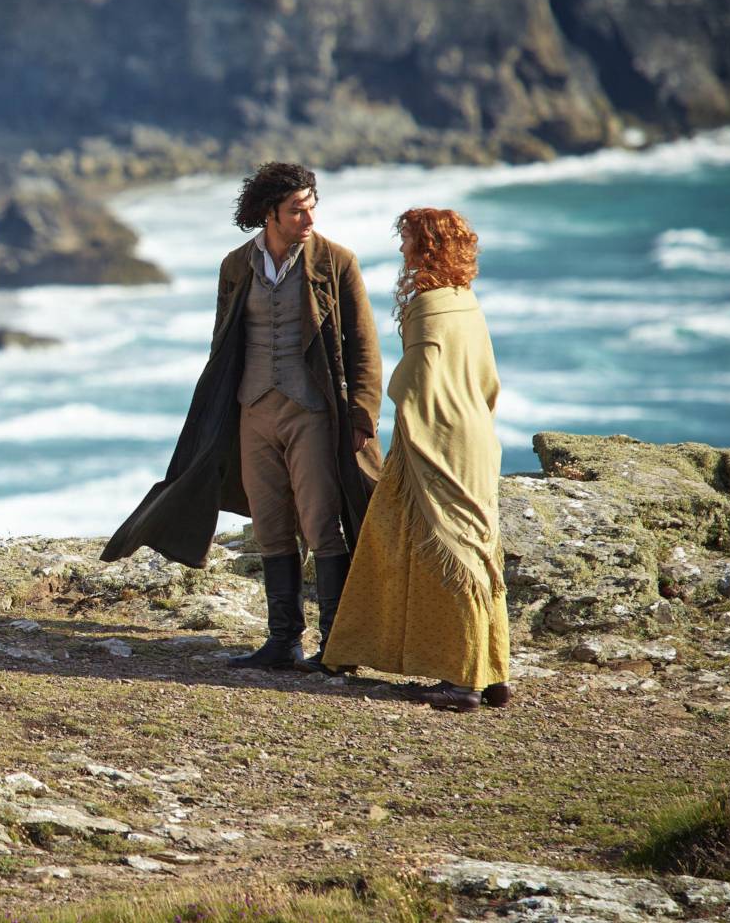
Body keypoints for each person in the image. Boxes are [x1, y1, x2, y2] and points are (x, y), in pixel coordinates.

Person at [101, 162, 382, 671]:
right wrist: (217, 415)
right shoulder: (235, 266)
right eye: (297, 210)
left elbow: (363, 343)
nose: (308, 219)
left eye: (312, 208)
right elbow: (222, 343)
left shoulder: (337, 262)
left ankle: (337, 645)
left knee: (321, 523)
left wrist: (363, 416)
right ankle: (282, 640)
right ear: (267, 214)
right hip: (251, 412)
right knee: (270, 524)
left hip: (313, 413)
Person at [323, 208, 510, 712]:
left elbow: (418, 378)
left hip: (435, 437)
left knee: (450, 546)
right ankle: (491, 672)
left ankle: (464, 683)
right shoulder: (465, 300)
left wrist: (395, 394)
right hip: (473, 431)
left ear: (427, 248)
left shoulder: (426, 304)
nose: (403, 250)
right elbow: (488, 379)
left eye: (409, 242)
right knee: (475, 543)